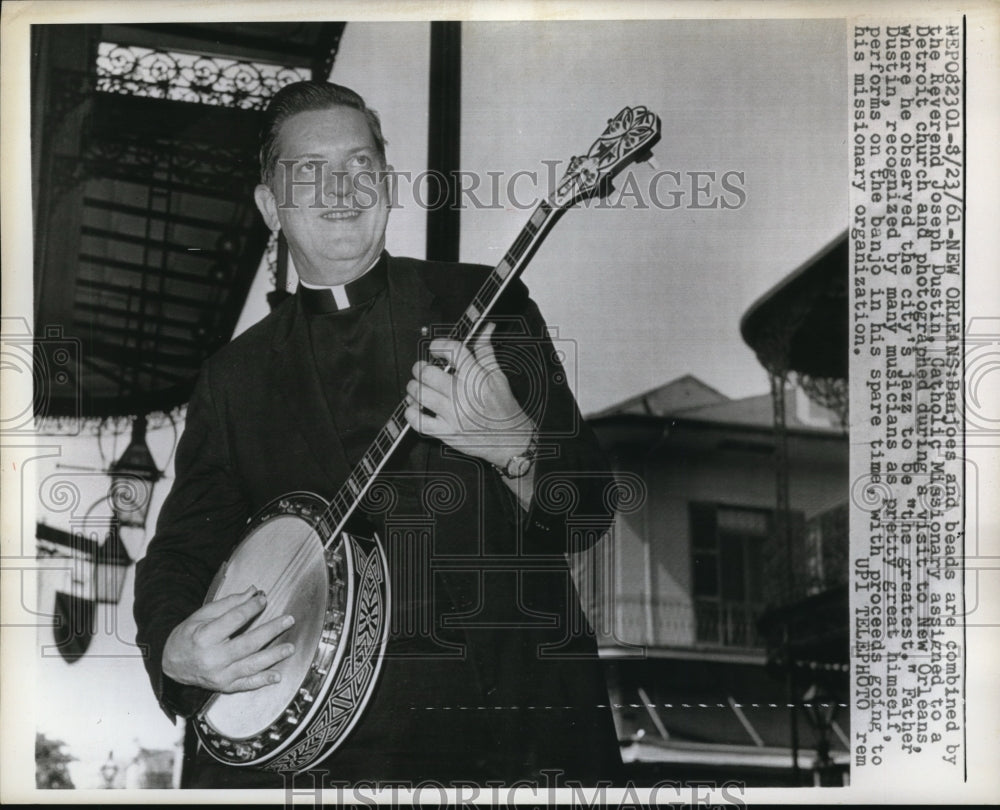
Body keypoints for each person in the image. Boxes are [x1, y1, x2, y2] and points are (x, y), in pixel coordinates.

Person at [133, 80, 622, 789]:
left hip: (507, 743)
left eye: (361, 165)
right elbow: (178, 554)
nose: (342, 187)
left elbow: (589, 508)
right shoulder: (233, 379)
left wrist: (512, 443)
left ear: (387, 186)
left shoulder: (485, 304)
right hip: (322, 763)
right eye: (310, 170)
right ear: (270, 207)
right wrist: (176, 650)